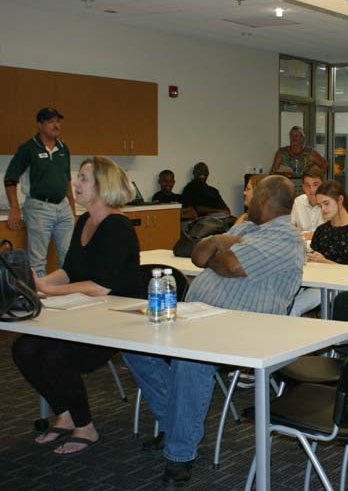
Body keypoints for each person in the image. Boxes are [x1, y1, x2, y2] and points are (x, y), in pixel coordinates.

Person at [123, 175, 303, 486]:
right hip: (201, 317)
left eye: (251, 193)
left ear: (264, 199)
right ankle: (175, 423)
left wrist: (221, 246)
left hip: (247, 327)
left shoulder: (286, 238)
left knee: (190, 361)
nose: (245, 198)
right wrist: (222, 242)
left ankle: (180, 452)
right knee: (134, 345)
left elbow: (230, 266)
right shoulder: (246, 227)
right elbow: (198, 254)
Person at [12, 156, 141, 456]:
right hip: (88, 312)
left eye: (83, 178)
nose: (75, 183)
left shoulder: (117, 227)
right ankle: (65, 414)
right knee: (24, 349)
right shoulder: (84, 221)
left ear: (102, 185)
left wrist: (46, 289)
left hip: (118, 319)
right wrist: (41, 282)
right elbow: (70, 271)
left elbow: (101, 286)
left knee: (56, 356)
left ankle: (85, 426)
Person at [3, 107, 76, 276]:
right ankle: (39, 298)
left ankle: (66, 296)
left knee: (69, 256)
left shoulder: (63, 148)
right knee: (38, 261)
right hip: (39, 208)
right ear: (40, 125)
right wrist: (14, 208)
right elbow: (10, 179)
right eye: (51, 121)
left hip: (63, 209)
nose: (56, 125)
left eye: (58, 121)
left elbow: (67, 181)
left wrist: (72, 208)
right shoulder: (29, 148)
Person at [293, 181, 348, 316]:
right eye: (320, 205)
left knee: (295, 306)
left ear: (340, 200)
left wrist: (325, 262)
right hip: (319, 282)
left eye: (326, 203)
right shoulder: (322, 230)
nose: (323, 209)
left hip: (343, 286)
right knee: (284, 300)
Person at [291, 166, 325, 238]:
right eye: (307, 185)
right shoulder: (298, 201)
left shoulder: (329, 203)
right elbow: (290, 228)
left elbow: (327, 234)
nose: (311, 189)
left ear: (323, 185)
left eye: (315, 185)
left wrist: (302, 234)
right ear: (303, 187)